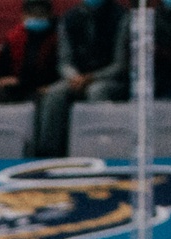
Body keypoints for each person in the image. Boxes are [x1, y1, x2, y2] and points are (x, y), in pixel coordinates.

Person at [38, 0, 129, 157]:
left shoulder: (122, 17)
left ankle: (100, 150)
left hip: (111, 79)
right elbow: (64, 61)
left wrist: (92, 77)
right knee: (55, 93)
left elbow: (120, 65)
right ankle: (48, 154)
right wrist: (74, 77)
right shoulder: (69, 18)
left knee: (97, 91)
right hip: (77, 78)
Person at [0, 0, 59, 104]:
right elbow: (1, 76)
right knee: (4, 95)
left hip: (46, 88)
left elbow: (60, 71)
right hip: (19, 87)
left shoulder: (57, 39)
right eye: (32, 14)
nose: (37, 17)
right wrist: (6, 81)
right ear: (23, 16)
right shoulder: (13, 38)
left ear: (49, 15)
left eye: (41, 14)